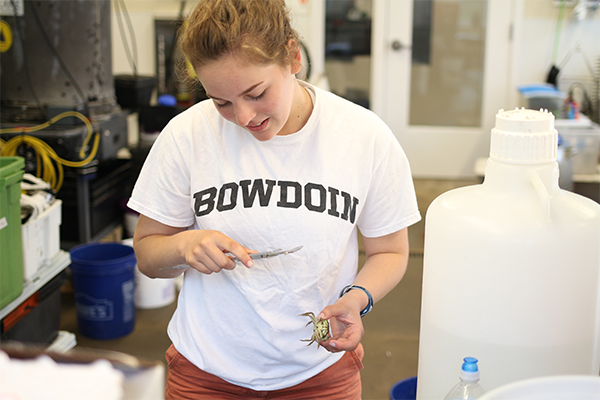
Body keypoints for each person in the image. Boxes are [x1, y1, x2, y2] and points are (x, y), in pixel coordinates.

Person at [127, 0, 421, 398]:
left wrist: (357, 299)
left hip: (320, 371)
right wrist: (185, 245)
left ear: (293, 56)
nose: (244, 117)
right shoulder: (187, 135)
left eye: (256, 93)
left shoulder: (363, 137)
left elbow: (389, 252)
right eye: (222, 102)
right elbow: (147, 254)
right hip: (207, 373)